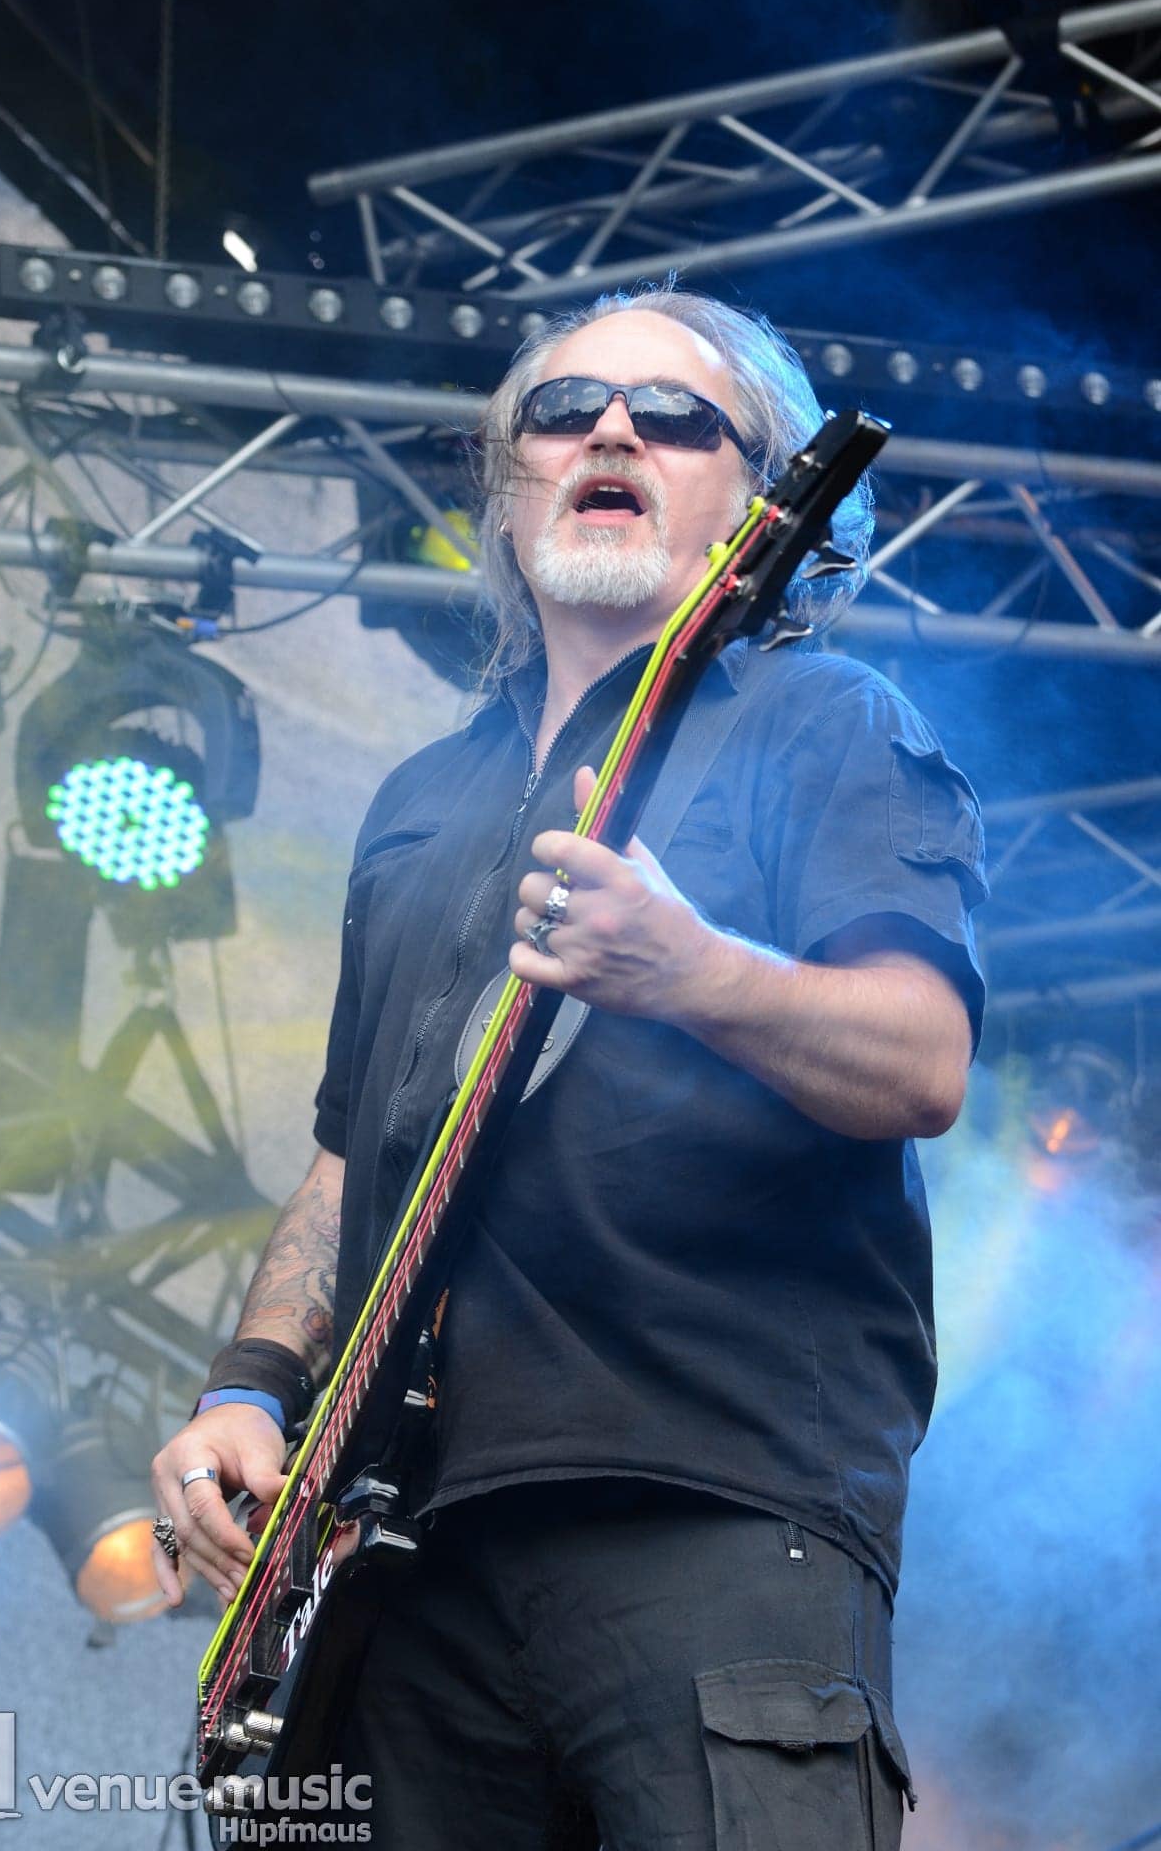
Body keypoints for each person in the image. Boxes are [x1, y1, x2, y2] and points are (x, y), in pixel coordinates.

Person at [152, 285, 987, 1850]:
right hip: (403, 1556)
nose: (612, 431)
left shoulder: (825, 725)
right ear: (510, 481)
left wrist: (692, 971)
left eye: (674, 417)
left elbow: (923, 1060)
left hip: (710, 1507)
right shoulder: (421, 799)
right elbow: (352, 1155)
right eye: (565, 408)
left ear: (759, 501)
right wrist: (251, 1386)